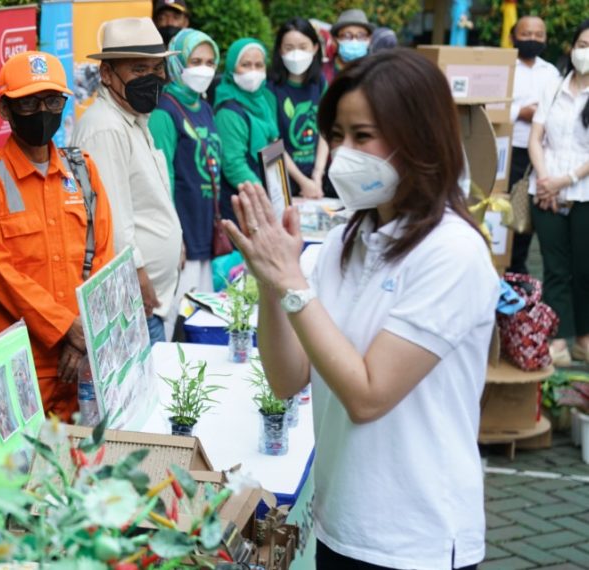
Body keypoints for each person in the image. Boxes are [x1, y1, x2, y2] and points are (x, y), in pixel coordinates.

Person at [225, 50, 497, 569]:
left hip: (417, 540)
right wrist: (270, 282)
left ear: (418, 138)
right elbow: (288, 379)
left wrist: (291, 281)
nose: (343, 152)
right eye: (337, 135)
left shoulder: (452, 253)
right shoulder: (348, 241)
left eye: (362, 135)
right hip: (342, 524)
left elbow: (368, 396)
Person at [0, 51, 115, 420]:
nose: (42, 111)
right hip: (18, 364)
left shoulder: (83, 170)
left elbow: (102, 255)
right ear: (5, 111)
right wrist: (66, 330)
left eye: (51, 100)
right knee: (21, 474)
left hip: (82, 361)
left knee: (85, 468)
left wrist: (83, 334)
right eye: (27, 102)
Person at [71, 17, 183, 344]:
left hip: (147, 303)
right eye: (138, 70)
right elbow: (111, 219)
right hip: (132, 305)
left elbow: (146, 196)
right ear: (106, 74)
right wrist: (136, 272)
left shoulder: (133, 118)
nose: (151, 79)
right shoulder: (104, 126)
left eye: (156, 70)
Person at [527, 19, 589, 366]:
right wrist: (545, 179)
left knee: (584, 268)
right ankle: (557, 339)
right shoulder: (553, 87)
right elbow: (537, 137)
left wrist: (562, 180)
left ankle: (583, 337)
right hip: (545, 189)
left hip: (583, 191)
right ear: (571, 48)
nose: (586, 52)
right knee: (554, 267)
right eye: (582, 44)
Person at [148, 28, 223, 294]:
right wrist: (173, 237)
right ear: (177, 62)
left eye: (210, 63)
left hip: (205, 228)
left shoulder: (204, 107)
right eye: (195, 62)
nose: (204, 69)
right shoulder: (164, 111)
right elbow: (161, 176)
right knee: (178, 316)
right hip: (182, 230)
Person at [508, 15, 561, 275]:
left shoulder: (551, 72)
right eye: (526, 34)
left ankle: (519, 270)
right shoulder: (503, 68)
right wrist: (520, 111)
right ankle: (503, 264)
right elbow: (486, 105)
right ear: (513, 37)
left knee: (527, 215)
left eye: (539, 35)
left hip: (539, 154)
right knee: (503, 211)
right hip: (507, 150)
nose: (532, 40)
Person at [215, 38, 279, 224]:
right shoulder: (228, 112)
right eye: (245, 65)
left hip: (263, 196)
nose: (253, 72)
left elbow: (273, 144)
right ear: (232, 69)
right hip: (244, 202)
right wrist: (266, 197)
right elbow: (234, 165)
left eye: (259, 65)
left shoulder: (265, 99)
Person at [268, 18, 329, 199]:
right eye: (289, 47)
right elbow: (272, 143)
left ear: (315, 48)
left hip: (315, 177)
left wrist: (317, 175)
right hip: (282, 180)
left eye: (303, 47)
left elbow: (325, 131)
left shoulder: (319, 84)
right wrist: (303, 182)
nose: (296, 54)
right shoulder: (269, 89)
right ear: (280, 50)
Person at [323, 9, 374, 84]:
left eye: (361, 36)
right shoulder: (322, 73)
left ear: (369, 40)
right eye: (347, 36)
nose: (354, 41)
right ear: (334, 40)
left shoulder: (375, 74)